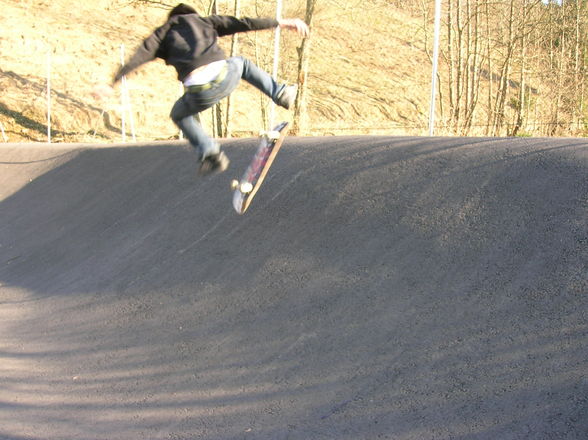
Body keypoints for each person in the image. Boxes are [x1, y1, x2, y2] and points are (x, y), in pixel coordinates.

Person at [94, 3, 309, 175]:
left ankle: (210, 153)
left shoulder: (161, 35)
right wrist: (282, 22)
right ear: (191, 15)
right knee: (242, 63)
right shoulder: (204, 21)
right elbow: (244, 23)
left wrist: (112, 83)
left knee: (179, 113)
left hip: (199, 92)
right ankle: (280, 93)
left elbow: (138, 56)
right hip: (226, 75)